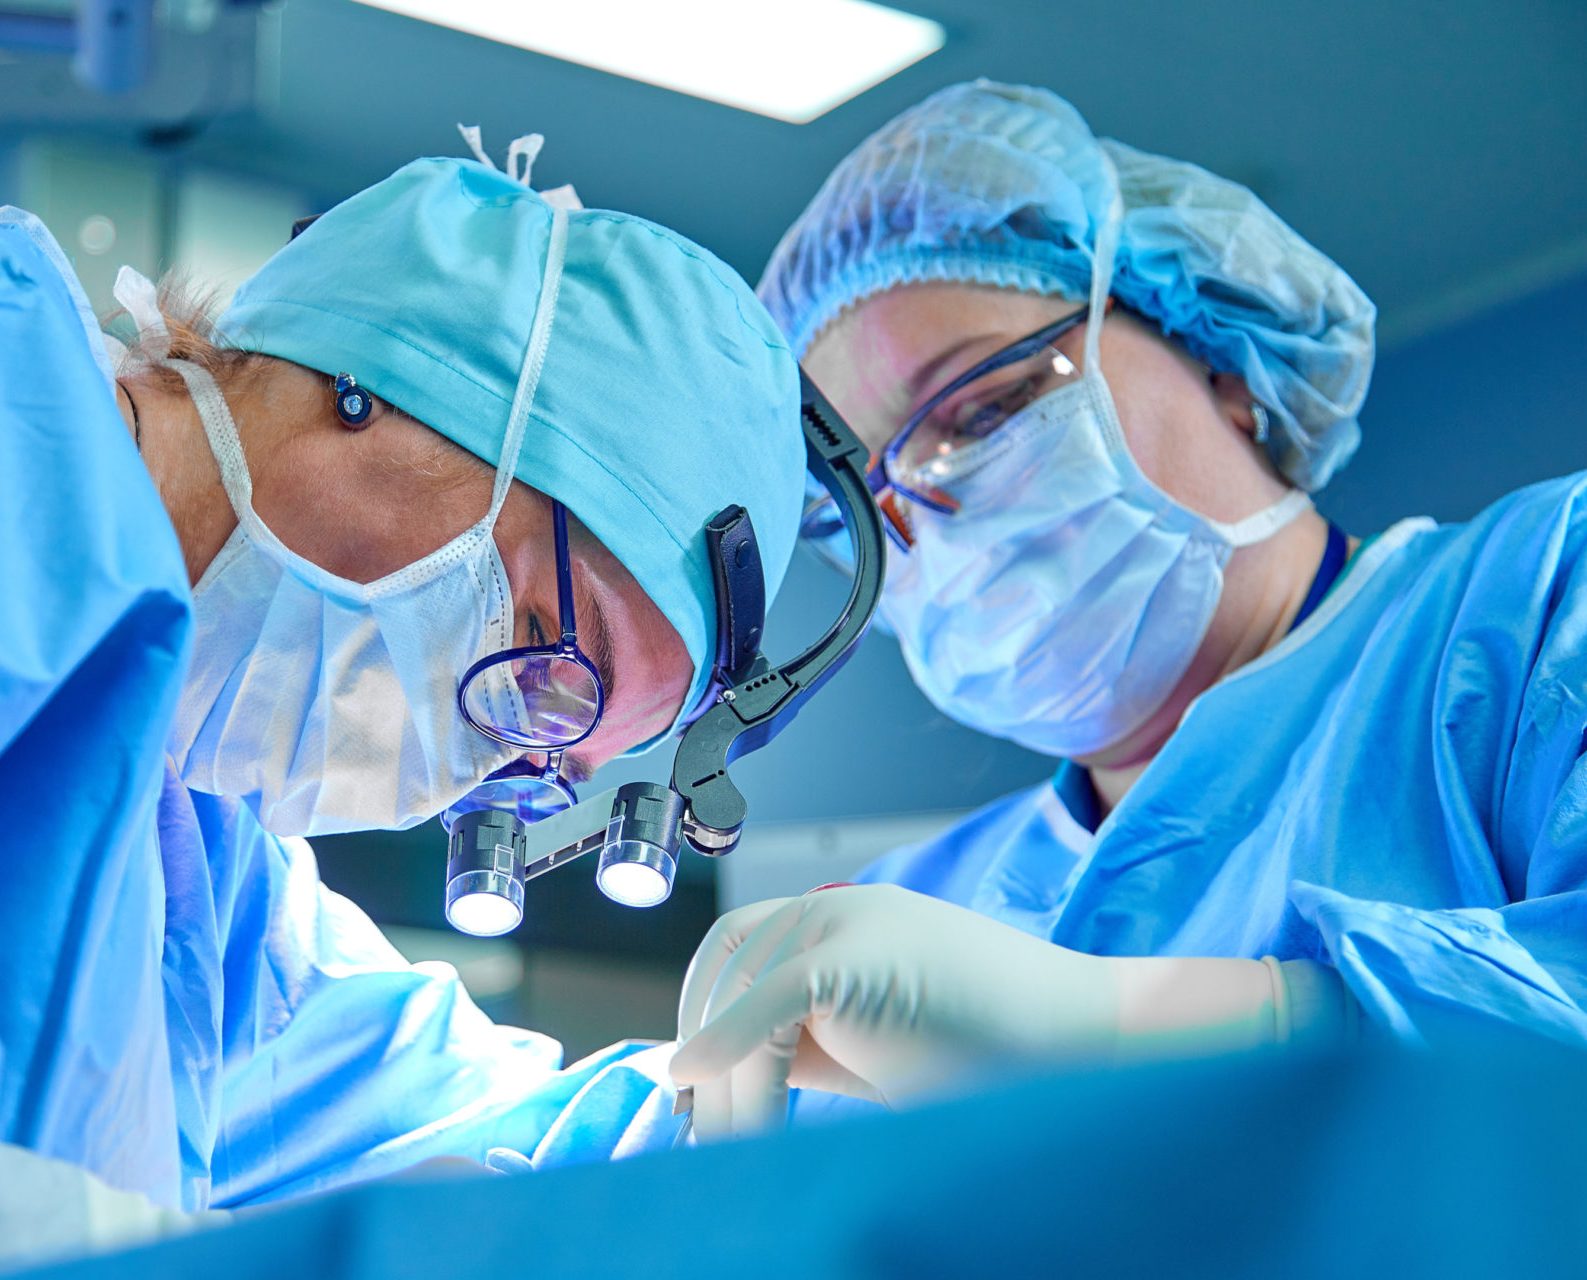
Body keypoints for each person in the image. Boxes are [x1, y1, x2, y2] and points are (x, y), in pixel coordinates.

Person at [0, 134, 807, 1275]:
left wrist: (826, 1061)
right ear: (386, 387)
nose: (481, 764)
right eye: (551, 653)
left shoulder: (195, 875)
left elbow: (525, 1145)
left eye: (554, 756)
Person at [669, 80, 1587, 1139]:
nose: (929, 511)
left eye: (986, 406)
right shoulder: (920, 906)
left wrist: (1130, 1027)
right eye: (863, 509)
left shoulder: (1538, 606)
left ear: (1220, 362)